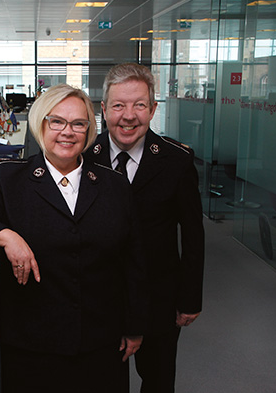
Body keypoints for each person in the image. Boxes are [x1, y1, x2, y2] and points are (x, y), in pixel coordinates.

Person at [0, 84, 148, 393]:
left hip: (101, 343)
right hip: (31, 347)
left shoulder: (114, 185)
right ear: (41, 124)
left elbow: (134, 261)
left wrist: (135, 326)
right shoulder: (8, 178)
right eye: (57, 121)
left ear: (89, 130)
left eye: (78, 124)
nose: (68, 132)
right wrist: (6, 236)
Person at [85, 63, 205, 393]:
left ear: (153, 109)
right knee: (103, 381)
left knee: (158, 379)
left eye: (139, 105)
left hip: (159, 296)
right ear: (104, 110)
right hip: (100, 298)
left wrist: (190, 297)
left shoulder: (176, 161)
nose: (128, 116)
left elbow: (193, 235)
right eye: (118, 105)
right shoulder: (84, 158)